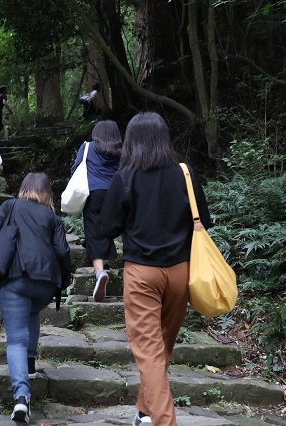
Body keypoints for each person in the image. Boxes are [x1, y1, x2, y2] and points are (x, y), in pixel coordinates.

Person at [101, 112, 211, 426]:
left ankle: (164, 421)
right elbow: (203, 221)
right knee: (160, 347)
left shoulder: (125, 176)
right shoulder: (185, 173)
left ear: (131, 141)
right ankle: (144, 412)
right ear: (164, 137)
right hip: (180, 272)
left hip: (142, 274)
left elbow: (108, 228)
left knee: (150, 352)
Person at [0, 172, 71, 423]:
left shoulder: (9, 206)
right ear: (47, 194)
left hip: (14, 279)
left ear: (23, 189)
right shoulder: (52, 217)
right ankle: (30, 365)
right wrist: (62, 280)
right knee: (31, 311)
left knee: (15, 340)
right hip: (44, 284)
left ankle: (22, 399)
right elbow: (63, 251)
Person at [70, 120, 122, 302]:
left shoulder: (87, 147)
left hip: (94, 191)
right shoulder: (122, 150)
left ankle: (100, 272)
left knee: (94, 230)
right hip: (116, 192)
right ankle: (106, 265)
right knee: (108, 228)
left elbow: (76, 168)